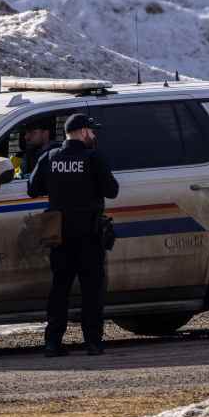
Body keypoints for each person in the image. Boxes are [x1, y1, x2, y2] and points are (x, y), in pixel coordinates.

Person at [28, 113, 119, 357]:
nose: (94, 135)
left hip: (59, 234)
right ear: (82, 132)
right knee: (92, 289)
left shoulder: (49, 156)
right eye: (91, 131)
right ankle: (93, 343)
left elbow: (32, 189)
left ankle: (52, 343)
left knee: (60, 288)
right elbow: (112, 191)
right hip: (89, 233)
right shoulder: (93, 157)